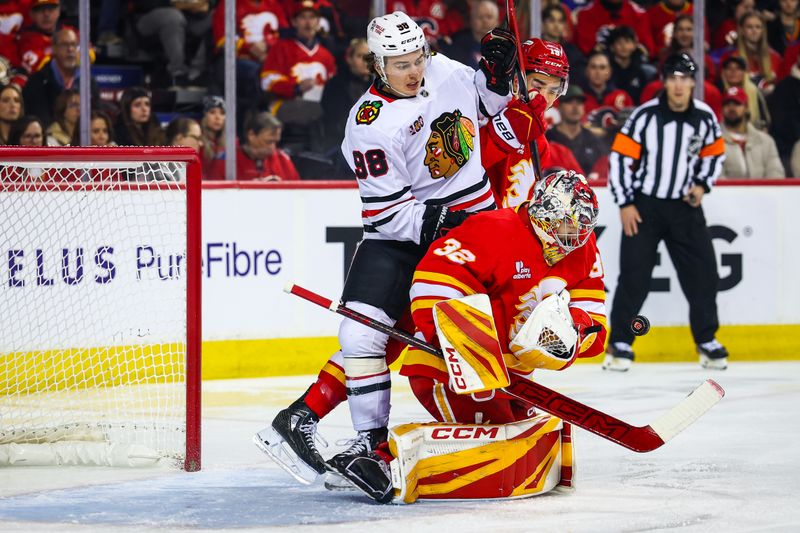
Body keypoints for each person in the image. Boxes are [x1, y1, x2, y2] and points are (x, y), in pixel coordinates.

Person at [253, 11, 514, 502]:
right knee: (360, 333)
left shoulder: (443, 70)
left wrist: (497, 73)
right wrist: (445, 220)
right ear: (377, 65)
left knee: (409, 333)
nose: (414, 72)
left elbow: (488, 104)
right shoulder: (368, 126)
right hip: (405, 233)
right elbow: (391, 214)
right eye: (400, 65)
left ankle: (308, 418)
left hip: (471, 227)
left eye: (418, 59)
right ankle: (367, 444)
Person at [401, 170, 606, 425]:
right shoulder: (492, 229)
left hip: (515, 379)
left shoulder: (583, 249)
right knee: (494, 439)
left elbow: (594, 317)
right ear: (547, 212)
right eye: (570, 224)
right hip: (450, 370)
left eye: (583, 227)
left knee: (522, 441)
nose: (577, 236)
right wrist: (458, 341)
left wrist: (574, 330)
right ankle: (383, 458)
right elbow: (432, 280)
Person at [604, 52, 728, 372]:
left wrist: (702, 185)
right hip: (646, 207)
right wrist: (625, 202)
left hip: (685, 207)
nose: (678, 84)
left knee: (703, 274)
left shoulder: (704, 116)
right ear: (664, 80)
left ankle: (706, 340)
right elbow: (619, 158)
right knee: (635, 275)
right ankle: (620, 341)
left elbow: (714, 153)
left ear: (692, 83)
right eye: (673, 77)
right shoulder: (645, 117)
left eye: (685, 78)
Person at [260, 0, 336, 152]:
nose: (308, 22)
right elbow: (267, 81)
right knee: (325, 111)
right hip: (284, 104)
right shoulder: (281, 48)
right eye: (303, 17)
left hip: (316, 106)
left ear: (318, 22)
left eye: (312, 18)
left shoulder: (326, 55)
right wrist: (295, 88)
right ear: (294, 22)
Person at [22, 27, 99, 126]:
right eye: (64, 45)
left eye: (73, 45)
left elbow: (96, 116)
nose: (70, 49)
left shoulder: (88, 81)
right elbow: (39, 120)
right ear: (54, 49)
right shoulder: (38, 81)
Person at [133, 0, 212, 87]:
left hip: (192, 17)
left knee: (223, 14)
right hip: (148, 17)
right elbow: (143, 3)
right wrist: (179, 3)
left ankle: (196, 73)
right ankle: (177, 71)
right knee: (173, 16)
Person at [720, 86, 785, 178]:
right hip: (727, 192)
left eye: (736, 104)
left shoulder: (765, 141)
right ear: (722, 109)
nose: (731, 108)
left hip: (764, 192)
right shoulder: (713, 142)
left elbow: (776, 173)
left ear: (746, 107)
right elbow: (716, 178)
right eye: (727, 104)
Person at [546, 84, 608, 175]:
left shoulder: (593, 140)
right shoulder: (548, 138)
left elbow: (603, 172)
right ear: (559, 107)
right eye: (569, 102)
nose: (575, 107)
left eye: (579, 102)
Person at [574, 0, 655, 58]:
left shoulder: (639, 14)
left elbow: (647, 51)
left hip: (632, 68)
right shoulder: (586, 14)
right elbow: (586, 51)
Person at [236, 111, 299, 181]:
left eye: (275, 142)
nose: (273, 147)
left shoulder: (282, 159)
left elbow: (298, 189)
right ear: (251, 135)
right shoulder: (229, 161)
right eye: (268, 142)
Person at [438, 0, 499, 70]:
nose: (484, 21)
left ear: (497, 21)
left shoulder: (506, 47)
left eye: (489, 17)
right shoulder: (457, 43)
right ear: (472, 20)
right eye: (480, 17)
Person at [200, 96, 226, 180]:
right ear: (204, 115)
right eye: (212, 112)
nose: (217, 117)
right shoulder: (198, 142)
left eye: (222, 113)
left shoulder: (232, 143)